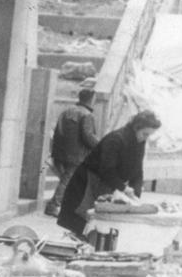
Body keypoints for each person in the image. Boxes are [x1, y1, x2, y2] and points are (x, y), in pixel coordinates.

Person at [56, 109, 162, 241]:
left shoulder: (139, 141)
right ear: (136, 127)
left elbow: (137, 171)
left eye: (148, 135)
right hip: (88, 182)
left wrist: (136, 195)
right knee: (84, 224)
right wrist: (123, 188)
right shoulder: (115, 139)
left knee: (102, 228)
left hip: (108, 183)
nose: (146, 138)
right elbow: (107, 169)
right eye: (145, 134)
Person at [45, 88, 98, 217]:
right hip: (77, 155)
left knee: (66, 180)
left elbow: (58, 131)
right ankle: (53, 205)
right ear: (91, 100)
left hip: (60, 152)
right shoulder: (87, 115)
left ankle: (64, 206)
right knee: (67, 181)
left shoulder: (66, 111)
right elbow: (88, 136)